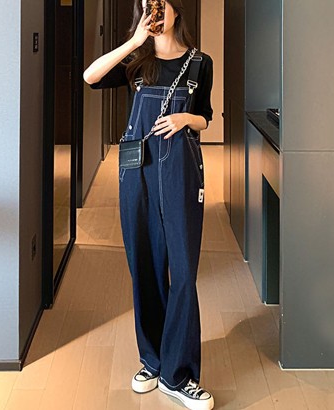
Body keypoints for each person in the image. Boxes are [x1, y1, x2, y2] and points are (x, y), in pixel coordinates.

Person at [84, 1, 214, 409]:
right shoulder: (136, 63)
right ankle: (153, 361)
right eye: (146, 5)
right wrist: (134, 41)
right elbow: (90, 76)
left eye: (160, 4)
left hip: (180, 173)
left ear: (177, 10)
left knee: (183, 269)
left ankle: (180, 375)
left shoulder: (200, 63)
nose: (154, 11)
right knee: (145, 264)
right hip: (137, 174)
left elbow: (206, 116)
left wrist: (185, 120)